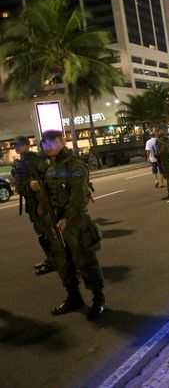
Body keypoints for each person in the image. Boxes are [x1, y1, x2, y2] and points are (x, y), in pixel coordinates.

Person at [29, 130, 105, 321]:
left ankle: (98, 300)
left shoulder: (75, 166)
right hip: (54, 224)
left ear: (62, 141)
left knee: (85, 262)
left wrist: (66, 219)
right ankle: (74, 298)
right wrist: (40, 202)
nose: (47, 146)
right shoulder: (48, 166)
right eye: (44, 143)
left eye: (51, 142)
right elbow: (47, 193)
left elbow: (79, 198)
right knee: (63, 264)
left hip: (75, 223)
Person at [11, 136, 55, 275]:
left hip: (39, 203)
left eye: (19, 144)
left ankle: (56, 261)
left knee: (49, 234)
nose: (16, 147)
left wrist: (42, 204)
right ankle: (50, 259)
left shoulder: (36, 160)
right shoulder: (21, 162)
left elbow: (48, 180)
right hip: (31, 203)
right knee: (42, 234)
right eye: (14, 145)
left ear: (27, 145)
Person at [155, 126, 169, 199]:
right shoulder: (167, 138)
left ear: (160, 131)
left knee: (168, 176)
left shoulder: (162, 140)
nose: (156, 133)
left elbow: (163, 151)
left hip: (165, 160)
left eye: (157, 131)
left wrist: (157, 154)